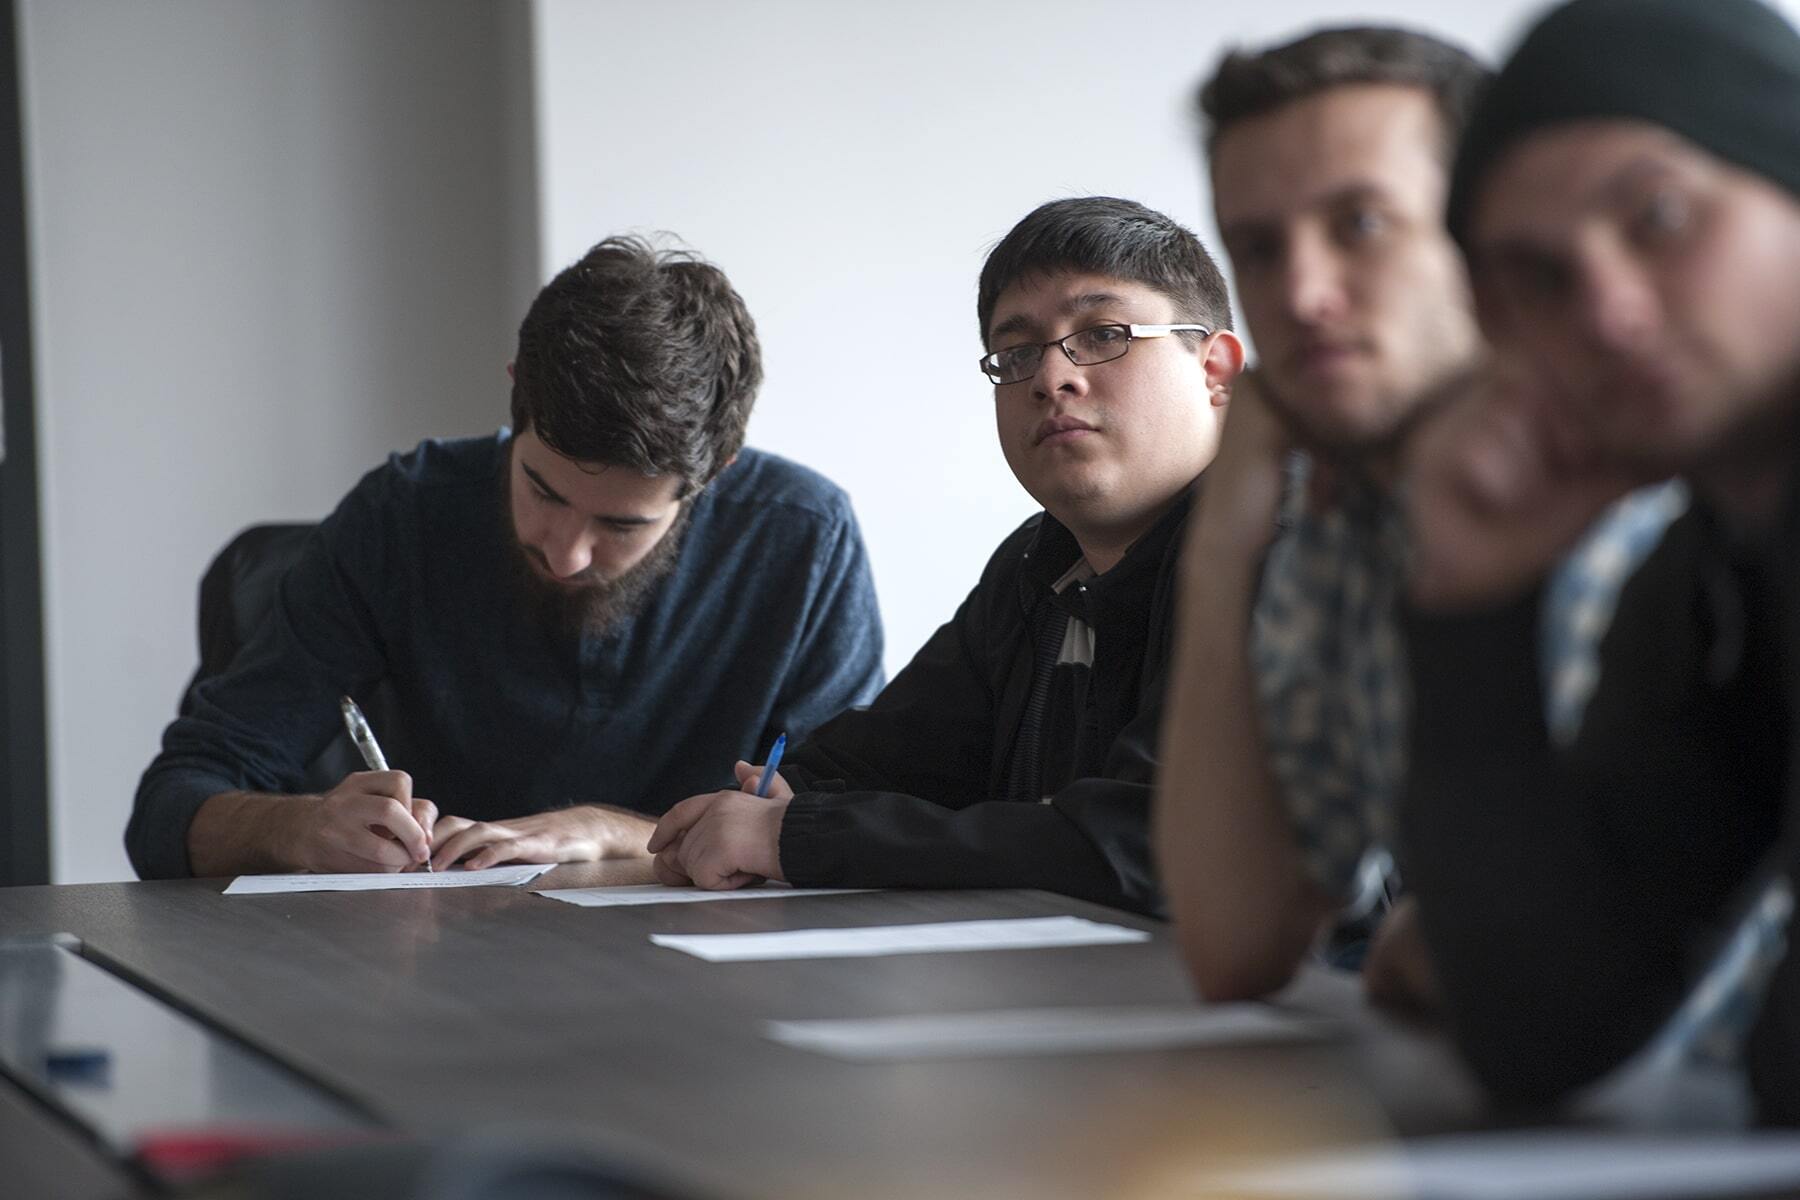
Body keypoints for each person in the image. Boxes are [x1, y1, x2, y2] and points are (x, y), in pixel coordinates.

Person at [129, 236, 884, 879]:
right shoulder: (404, 515)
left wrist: (614, 834)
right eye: (543, 491)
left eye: (621, 523)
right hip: (436, 976)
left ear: (714, 475)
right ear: (516, 396)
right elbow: (171, 804)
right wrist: (287, 828)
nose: (565, 553)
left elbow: (843, 825)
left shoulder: (804, 540)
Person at [1399, 0, 1800, 1121]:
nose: (1609, 313)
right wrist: (1472, 604)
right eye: (1540, 276)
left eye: (1661, 218)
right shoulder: (1709, 570)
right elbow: (1548, 1029)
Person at [646, 197, 1242, 914]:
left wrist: (797, 835)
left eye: (1104, 333)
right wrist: (785, 795)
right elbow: (884, 760)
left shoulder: (1285, 550)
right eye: (1018, 353)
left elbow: (1165, 844)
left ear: (1216, 371)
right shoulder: (1037, 567)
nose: (1052, 378)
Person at [1154, 27, 1489, 1002]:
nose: (1300, 295)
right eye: (1257, 249)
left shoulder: (1646, 489)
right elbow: (1236, 942)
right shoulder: (1342, 519)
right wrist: (1221, 552)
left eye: (1362, 226)